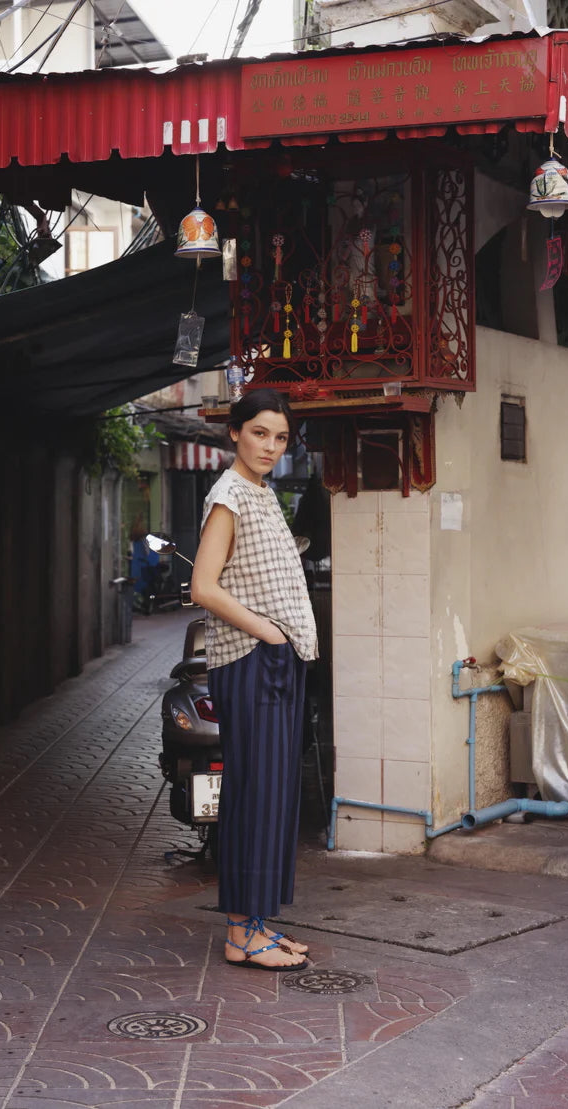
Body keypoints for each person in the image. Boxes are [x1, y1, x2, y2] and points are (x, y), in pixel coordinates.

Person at [191, 388, 318, 971]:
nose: (270, 446)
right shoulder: (229, 496)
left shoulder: (262, 493)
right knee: (255, 793)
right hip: (251, 659)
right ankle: (242, 934)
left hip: (276, 659)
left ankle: (257, 923)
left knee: (275, 793)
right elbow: (204, 587)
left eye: (281, 437)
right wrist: (269, 633)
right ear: (235, 432)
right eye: (260, 433)